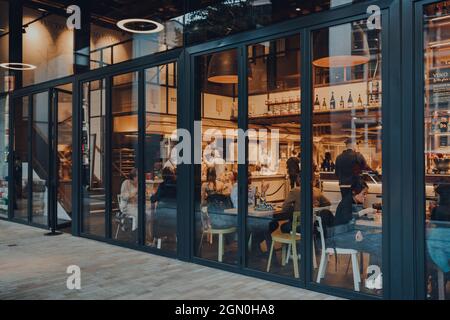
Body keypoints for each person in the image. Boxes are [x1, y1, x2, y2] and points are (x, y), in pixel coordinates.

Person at [335, 138, 371, 204]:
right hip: (355, 184)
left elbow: (336, 173)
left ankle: (347, 214)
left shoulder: (338, 157)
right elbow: (366, 168)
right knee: (356, 204)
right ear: (354, 145)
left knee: (346, 204)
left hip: (343, 185)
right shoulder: (358, 155)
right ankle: (356, 214)